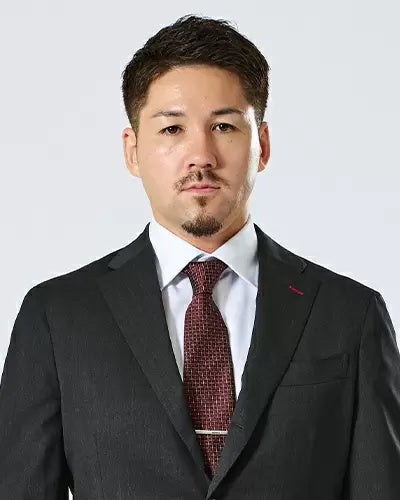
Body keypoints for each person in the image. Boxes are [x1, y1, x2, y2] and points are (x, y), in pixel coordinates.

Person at [0, 14, 399, 500]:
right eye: (172, 129)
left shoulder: (350, 314)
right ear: (133, 151)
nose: (201, 156)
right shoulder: (57, 316)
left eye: (224, 126)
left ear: (262, 145)